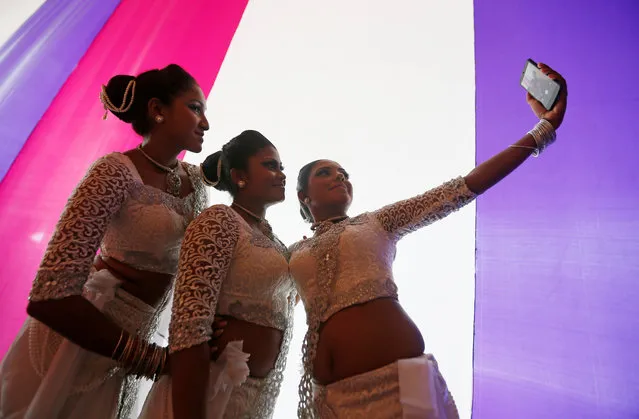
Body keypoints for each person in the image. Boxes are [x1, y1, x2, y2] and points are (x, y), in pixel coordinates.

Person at [290, 62, 567, 418]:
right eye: (324, 172)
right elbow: (257, 299)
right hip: (331, 402)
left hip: (404, 390)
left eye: (344, 172)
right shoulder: (291, 254)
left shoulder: (379, 222)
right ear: (302, 196)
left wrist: (544, 129)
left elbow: (465, 186)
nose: (339, 177)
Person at [0, 64, 210, 419]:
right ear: (157, 110)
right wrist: (148, 358)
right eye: (194, 108)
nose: (205, 123)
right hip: (76, 348)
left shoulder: (196, 184)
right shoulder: (114, 171)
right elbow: (50, 293)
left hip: (136, 349)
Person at [139, 130, 297, 419]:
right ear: (240, 176)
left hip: (253, 399)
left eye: (281, 167)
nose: (282, 174)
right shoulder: (219, 220)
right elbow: (189, 325)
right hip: (207, 389)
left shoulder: (277, 244)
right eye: (270, 165)